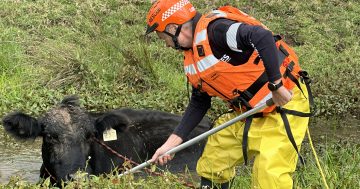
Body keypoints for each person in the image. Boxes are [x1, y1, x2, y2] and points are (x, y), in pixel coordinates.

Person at [145, 0, 313, 188]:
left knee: (269, 177)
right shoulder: (192, 56)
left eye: (164, 38)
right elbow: (200, 102)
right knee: (213, 161)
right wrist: (171, 144)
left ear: (174, 28)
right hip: (250, 113)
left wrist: (276, 84)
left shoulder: (217, 31)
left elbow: (262, 37)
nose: (167, 45)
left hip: (284, 105)